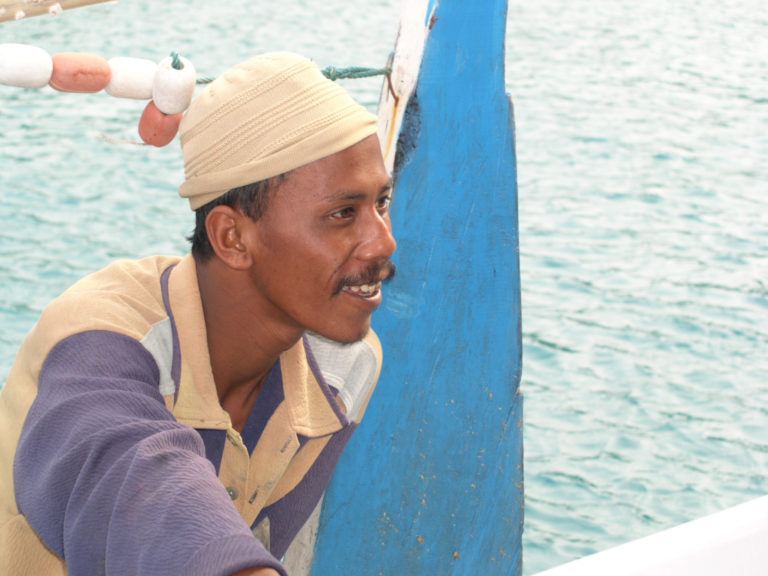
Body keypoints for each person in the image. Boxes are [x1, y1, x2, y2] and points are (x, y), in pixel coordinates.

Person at [0, 52, 397, 576]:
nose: (384, 242)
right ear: (232, 237)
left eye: (382, 204)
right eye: (343, 214)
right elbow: (132, 476)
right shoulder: (104, 337)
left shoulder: (346, 364)